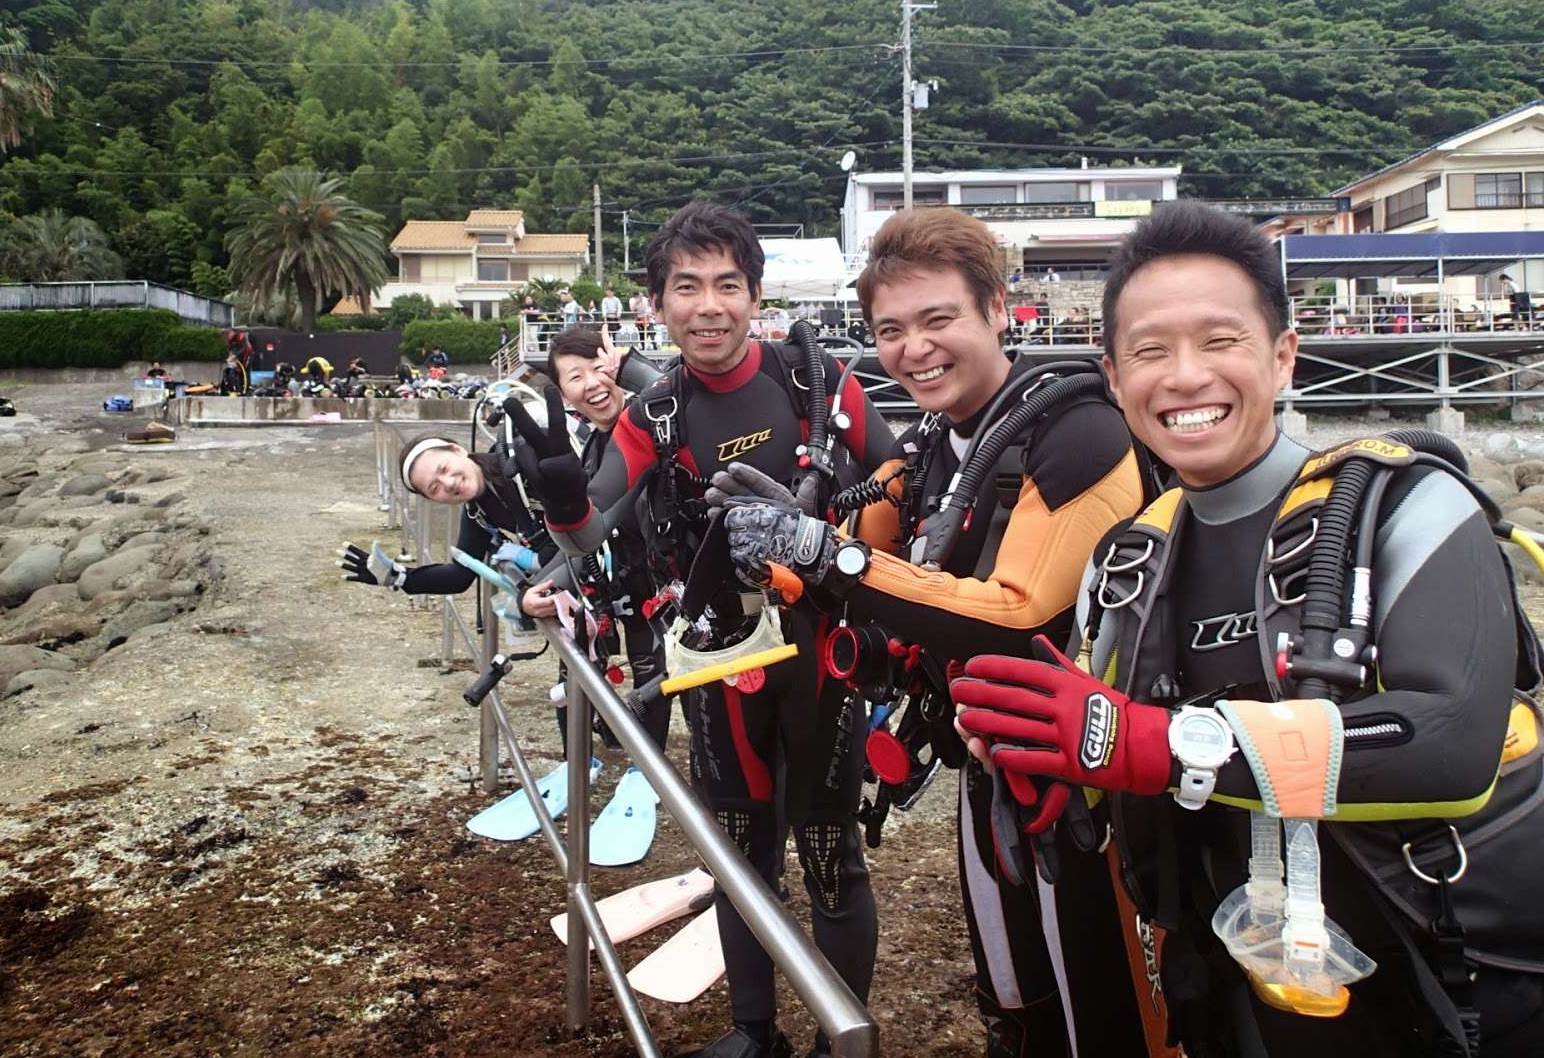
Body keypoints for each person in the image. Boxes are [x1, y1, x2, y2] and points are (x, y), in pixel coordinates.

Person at [953, 200, 1544, 1057]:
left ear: (1283, 354)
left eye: (1220, 340)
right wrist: (1057, 770)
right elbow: (1113, 748)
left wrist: (1158, 745)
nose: (1185, 376)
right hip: (1229, 987)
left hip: (1451, 983)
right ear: (1114, 377)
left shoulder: (1412, 510)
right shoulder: (1128, 566)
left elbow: (1453, 743)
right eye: (1150, 351)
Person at [721, 208, 1150, 1057]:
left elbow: (1018, 614)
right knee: (1010, 992)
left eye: (937, 319)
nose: (914, 349)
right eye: (890, 331)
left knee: (1097, 1004)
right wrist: (773, 554)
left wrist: (826, 555)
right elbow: (856, 559)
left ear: (996, 309)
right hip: (988, 759)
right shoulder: (931, 448)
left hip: (1092, 778)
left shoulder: (1077, 433)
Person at [504, 200, 897, 1058]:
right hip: (720, 659)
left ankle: (839, 1046)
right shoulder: (654, 415)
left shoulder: (818, 383)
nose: (708, 306)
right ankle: (754, 1033)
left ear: (755, 295)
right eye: (687, 288)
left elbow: (901, 477)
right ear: (656, 305)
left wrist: (858, 561)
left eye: (728, 285)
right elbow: (589, 532)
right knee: (739, 853)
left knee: (830, 853)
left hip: (823, 653)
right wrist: (561, 493)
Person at [519, 325, 671, 744]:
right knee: (635, 676)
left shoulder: (654, 427)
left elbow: (681, 394)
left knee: (674, 687)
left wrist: (635, 367)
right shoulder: (592, 448)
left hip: (679, 591)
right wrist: (534, 590)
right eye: (575, 377)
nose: (592, 383)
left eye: (598, 367)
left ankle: (647, 771)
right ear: (564, 397)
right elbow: (587, 534)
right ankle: (597, 765)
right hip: (633, 588)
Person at [339, 433, 547, 599]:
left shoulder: (523, 460)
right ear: (433, 500)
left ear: (458, 450)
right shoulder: (477, 512)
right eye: (434, 488)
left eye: (444, 468)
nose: (448, 483)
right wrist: (399, 576)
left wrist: (538, 560)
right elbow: (460, 575)